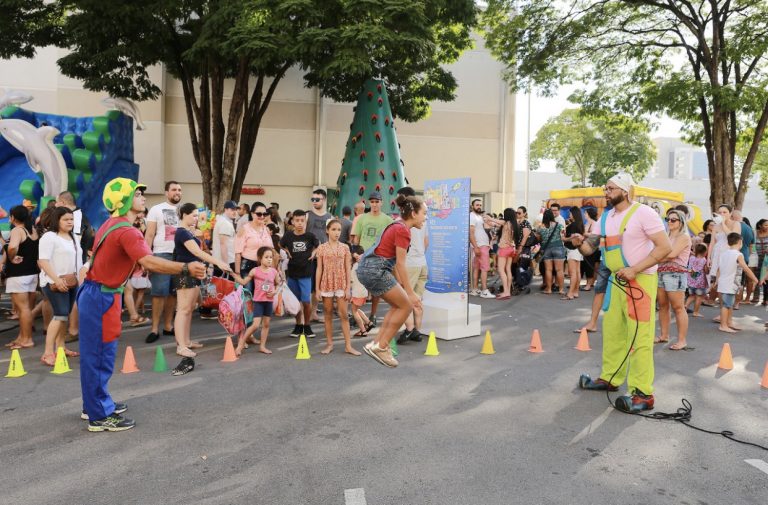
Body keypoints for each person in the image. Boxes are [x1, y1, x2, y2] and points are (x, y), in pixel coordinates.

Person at [79, 178, 206, 431]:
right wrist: (185, 267)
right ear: (124, 200)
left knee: (101, 355)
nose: (143, 197)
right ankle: (98, 415)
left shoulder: (111, 224)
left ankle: (96, 404)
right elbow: (148, 261)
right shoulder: (126, 230)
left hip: (101, 295)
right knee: (98, 356)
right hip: (101, 296)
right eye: (137, 194)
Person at [572, 172, 671, 413]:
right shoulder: (606, 217)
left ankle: (643, 393)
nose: (605, 192)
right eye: (605, 188)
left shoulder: (644, 213)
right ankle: (611, 378)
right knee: (614, 331)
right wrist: (579, 243)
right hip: (616, 281)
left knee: (640, 338)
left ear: (625, 191)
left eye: (610, 188)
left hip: (640, 281)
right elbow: (591, 249)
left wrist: (635, 269)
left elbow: (665, 247)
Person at [358, 193, 427, 367]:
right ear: (413, 214)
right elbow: (402, 264)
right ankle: (382, 346)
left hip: (368, 269)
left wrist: (402, 287)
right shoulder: (403, 230)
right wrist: (410, 294)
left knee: (398, 305)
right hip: (376, 270)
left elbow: (395, 264)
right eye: (424, 213)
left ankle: (377, 344)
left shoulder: (396, 224)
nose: (425, 218)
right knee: (406, 306)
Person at [173, 203, 232, 357]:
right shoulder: (182, 233)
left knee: (189, 309)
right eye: (193, 215)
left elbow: (199, 251)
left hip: (194, 273)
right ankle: (181, 346)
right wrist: (218, 262)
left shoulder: (188, 232)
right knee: (183, 309)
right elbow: (196, 252)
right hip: (185, 273)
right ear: (184, 215)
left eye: (197, 216)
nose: (195, 218)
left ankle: (186, 342)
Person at [37, 207, 84, 365]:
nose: (70, 222)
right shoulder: (49, 237)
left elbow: (78, 261)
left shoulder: (74, 237)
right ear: (57, 220)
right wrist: (56, 280)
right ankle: (48, 352)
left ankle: (61, 347)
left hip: (72, 282)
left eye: (71, 219)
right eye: (66, 219)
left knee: (65, 315)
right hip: (53, 282)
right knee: (60, 315)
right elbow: (43, 261)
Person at [144, 181, 182, 344]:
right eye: (174, 189)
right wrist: (145, 257)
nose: (177, 192)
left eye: (179, 190)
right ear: (166, 192)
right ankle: (154, 328)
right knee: (159, 293)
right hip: (161, 254)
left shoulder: (184, 210)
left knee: (174, 293)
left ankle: (168, 326)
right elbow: (149, 235)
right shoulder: (156, 209)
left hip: (180, 255)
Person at [315, 220, 360, 356]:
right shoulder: (322, 248)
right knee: (327, 313)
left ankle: (348, 346)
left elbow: (348, 268)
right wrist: (317, 289)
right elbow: (319, 269)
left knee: (344, 314)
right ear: (327, 230)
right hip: (326, 282)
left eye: (339, 230)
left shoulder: (345, 248)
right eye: (334, 229)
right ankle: (329, 344)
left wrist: (348, 288)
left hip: (341, 283)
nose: (337, 232)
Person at [232, 246, 281, 356]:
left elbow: (278, 284)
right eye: (266, 257)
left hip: (269, 301)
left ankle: (262, 346)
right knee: (255, 325)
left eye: (271, 257)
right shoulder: (255, 271)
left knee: (266, 324)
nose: (269, 259)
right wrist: (234, 275)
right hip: (258, 301)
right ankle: (240, 345)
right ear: (260, 258)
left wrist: (274, 292)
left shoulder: (273, 271)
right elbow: (244, 282)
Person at [353, 191, 394, 322]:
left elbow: (391, 238)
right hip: (363, 257)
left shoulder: (388, 220)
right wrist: (356, 253)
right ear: (369, 203)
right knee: (359, 288)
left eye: (377, 202)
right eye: (372, 202)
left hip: (378, 258)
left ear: (381, 203)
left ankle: (373, 315)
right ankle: (356, 315)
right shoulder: (362, 218)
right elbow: (356, 238)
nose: (375, 204)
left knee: (376, 289)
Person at [3, 205, 39, 350]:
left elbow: (12, 247)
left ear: (13, 217)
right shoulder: (33, 230)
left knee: (22, 309)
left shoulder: (17, 230)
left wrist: (11, 258)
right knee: (27, 309)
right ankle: (22, 337)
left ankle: (27, 339)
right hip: (31, 273)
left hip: (19, 275)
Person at [655, 209, 692, 350]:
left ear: (681, 222)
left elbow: (672, 254)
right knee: (663, 306)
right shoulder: (666, 235)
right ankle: (664, 335)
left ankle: (682, 340)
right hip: (661, 272)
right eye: (668, 219)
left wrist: (654, 258)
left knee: (678, 307)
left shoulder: (684, 237)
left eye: (673, 219)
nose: (669, 221)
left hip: (675, 274)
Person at [280, 209, 319, 338]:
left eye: (302, 220)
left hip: (306, 274)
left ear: (305, 222)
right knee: (295, 303)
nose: (300, 223)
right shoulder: (288, 236)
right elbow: (279, 245)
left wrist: (314, 253)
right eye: (297, 220)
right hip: (292, 274)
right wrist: (286, 251)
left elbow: (318, 246)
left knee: (306, 301)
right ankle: (298, 325)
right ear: (293, 221)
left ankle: (307, 326)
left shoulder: (310, 236)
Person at [715, 232, 761, 333]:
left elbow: (719, 269)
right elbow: (746, 268)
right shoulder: (738, 254)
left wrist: (716, 281)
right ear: (740, 242)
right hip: (730, 284)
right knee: (726, 305)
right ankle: (723, 325)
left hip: (725, 283)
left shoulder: (724, 253)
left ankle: (729, 322)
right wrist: (755, 279)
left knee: (729, 304)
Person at [234, 202, 273, 295]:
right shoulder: (244, 229)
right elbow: (237, 253)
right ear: (252, 214)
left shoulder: (266, 229)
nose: (262, 216)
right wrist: (237, 274)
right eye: (259, 214)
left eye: (265, 214)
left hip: (265, 268)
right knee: (249, 296)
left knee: (263, 296)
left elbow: (271, 250)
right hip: (248, 267)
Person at [307, 189, 333, 322]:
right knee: (308, 286)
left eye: (317, 199)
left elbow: (332, 237)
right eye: (313, 199)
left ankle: (314, 313)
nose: (314, 202)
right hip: (308, 256)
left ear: (324, 200)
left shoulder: (330, 217)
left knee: (319, 287)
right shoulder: (307, 216)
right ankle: (306, 314)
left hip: (324, 257)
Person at [707, 204, 740, 303]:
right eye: (720, 212)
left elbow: (733, 237)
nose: (722, 214)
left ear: (730, 213)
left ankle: (726, 309)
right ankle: (721, 308)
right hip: (717, 255)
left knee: (726, 283)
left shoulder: (736, 224)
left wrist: (724, 224)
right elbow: (712, 243)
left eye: (725, 212)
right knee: (717, 282)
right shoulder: (715, 226)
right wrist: (708, 258)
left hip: (729, 255)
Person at [484, 208, 519, 300]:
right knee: (508, 269)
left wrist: (489, 218)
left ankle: (506, 292)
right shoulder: (514, 224)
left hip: (504, 248)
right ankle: (508, 291)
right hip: (511, 248)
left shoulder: (506, 223)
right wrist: (490, 220)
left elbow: (496, 221)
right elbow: (495, 223)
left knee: (501, 270)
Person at [469, 198, 494, 299]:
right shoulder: (472, 216)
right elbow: (471, 232)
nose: (479, 207)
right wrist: (476, 247)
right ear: (472, 206)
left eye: (480, 205)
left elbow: (489, 226)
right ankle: (484, 290)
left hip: (481, 245)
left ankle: (475, 289)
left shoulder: (479, 216)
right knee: (485, 268)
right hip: (480, 246)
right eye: (477, 205)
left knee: (477, 268)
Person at [536, 209, 566, 295]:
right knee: (559, 270)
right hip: (558, 247)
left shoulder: (540, 227)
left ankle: (548, 289)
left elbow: (538, 239)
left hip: (546, 249)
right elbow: (563, 236)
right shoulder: (559, 225)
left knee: (548, 270)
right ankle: (561, 289)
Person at [731, 210, 753, 308]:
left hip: (734, 255)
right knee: (741, 281)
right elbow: (751, 245)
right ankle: (737, 303)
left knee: (732, 279)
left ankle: (730, 301)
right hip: (745, 255)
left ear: (733, 217)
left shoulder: (734, 226)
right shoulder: (749, 228)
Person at [349, 245, 373, 337]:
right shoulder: (365, 265)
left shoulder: (356, 266)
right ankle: (368, 322)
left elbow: (351, 280)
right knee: (356, 309)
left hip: (357, 292)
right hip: (363, 291)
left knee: (354, 311)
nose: (357, 257)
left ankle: (363, 330)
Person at [563, 206, 585, 300]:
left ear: (574, 214)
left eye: (570, 213)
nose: (569, 215)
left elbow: (572, 239)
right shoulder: (580, 224)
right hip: (579, 250)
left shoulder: (573, 225)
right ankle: (575, 292)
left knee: (573, 273)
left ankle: (570, 294)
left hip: (572, 250)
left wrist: (563, 238)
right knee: (577, 272)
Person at [212, 200, 238, 275]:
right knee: (226, 285)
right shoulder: (225, 223)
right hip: (225, 261)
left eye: (236, 210)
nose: (235, 212)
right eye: (232, 209)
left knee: (220, 285)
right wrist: (226, 264)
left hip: (220, 260)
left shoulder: (224, 221)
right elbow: (223, 244)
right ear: (226, 209)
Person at [685, 244, 708, 317]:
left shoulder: (691, 258)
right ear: (705, 252)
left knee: (691, 296)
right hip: (700, 283)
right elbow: (706, 271)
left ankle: (685, 306)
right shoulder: (704, 260)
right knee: (699, 297)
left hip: (691, 281)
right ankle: (696, 312)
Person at [581, 208, 600, 291]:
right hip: (590, 247)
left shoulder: (593, 223)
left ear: (588, 214)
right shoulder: (589, 222)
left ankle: (589, 284)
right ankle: (589, 283)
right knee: (589, 266)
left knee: (590, 266)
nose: (584, 215)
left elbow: (595, 235)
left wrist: (584, 233)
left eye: (585, 213)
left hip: (592, 248)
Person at [754, 219, 768, 305]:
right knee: (756, 277)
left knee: (766, 278)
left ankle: (765, 299)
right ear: (760, 225)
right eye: (766, 225)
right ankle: (756, 296)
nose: (767, 227)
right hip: (756, 258)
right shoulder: (755, 233)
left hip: (767, 259)